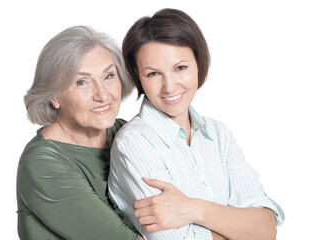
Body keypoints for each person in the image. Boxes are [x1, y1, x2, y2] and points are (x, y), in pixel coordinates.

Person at [108, 8, 285, 240]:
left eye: (180, 68)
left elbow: (265, 229)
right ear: (137, 75)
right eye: (153, 74)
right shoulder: (134, 144)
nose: (169, 87)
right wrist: (238, 227)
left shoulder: (218, 134)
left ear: (198, 63)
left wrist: (192, 208)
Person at [16, 25, 143, 240]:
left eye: (109, 76)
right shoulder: (42, 164)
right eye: (82, 82)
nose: (103, 95)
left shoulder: (127, 132)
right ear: (53, 95)